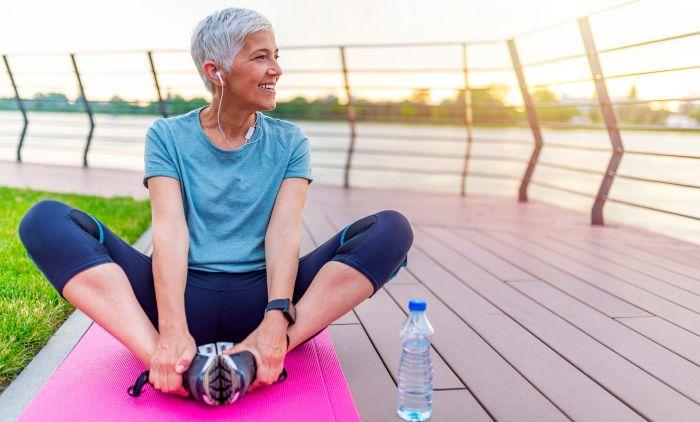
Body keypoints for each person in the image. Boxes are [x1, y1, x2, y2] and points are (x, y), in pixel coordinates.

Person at [18, 7, 413, 403]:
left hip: (263, 303)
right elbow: (170, 229)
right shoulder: (167, 135)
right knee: (44, 220)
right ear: (216, 71)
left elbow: (284, 232)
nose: (276, 69)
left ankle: (258, 354)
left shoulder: (291, 142)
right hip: (178, 298)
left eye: (277, 55)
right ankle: (168, 360)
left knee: (392, 230)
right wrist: (172, 328)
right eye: (261, 57)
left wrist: (277, 318)